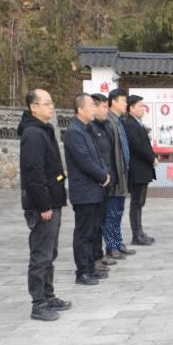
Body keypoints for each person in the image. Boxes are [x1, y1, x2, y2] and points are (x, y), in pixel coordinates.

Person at [19, 89, 72, 320]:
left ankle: (49, 296)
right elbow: (34, 173)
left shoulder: (43, 130)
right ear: (34, 107)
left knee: (50, 252)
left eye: (52, 103)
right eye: (47, 103)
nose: (52, 107)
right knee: (41, 255)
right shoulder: (32, 133)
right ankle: (38, 303)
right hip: (43, 205)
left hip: (53, 201)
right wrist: (44, 205)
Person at [64, 93, 112, 286]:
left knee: (93, 231)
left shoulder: (87, 129)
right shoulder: (74, 132)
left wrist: (104, 173)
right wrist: (102, 176)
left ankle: (91, 266)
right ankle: (82, 271)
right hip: (84, 191)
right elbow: (85, 161)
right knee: (83, 234)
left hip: (95, 190)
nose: (94, 108)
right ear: (80, 109)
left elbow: (97, 157)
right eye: (91, 105)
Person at [101, 89, 137, 261]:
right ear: (113, 102)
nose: (126, 104)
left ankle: (118, 243)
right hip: (114, 176)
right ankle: (112, 246)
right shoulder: (109, 122)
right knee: (111, 213)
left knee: (118, 212)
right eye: (123, 101)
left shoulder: (120, 121)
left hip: (123, 174)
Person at [124, 94, 156, 251]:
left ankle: (140, 232)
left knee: (140, 203)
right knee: (136, 203)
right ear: (131, 108)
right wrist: (151, 157)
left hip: (143, 169)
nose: (143, 109)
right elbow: (137, 146)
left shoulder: (137, 123)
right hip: (137, 170)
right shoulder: (130, 124)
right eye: (140, 106)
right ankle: (136, 235)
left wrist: (153, 155)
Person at [89, 94, 117, 273]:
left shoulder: (105, 126)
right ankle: (93, 258)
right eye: (103, 107)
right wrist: (102, 176)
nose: (107, 110)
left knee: (102, 220)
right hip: (96, 182)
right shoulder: (90, 129)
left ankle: (99, 255)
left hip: (106, 180)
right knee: (93, 225)